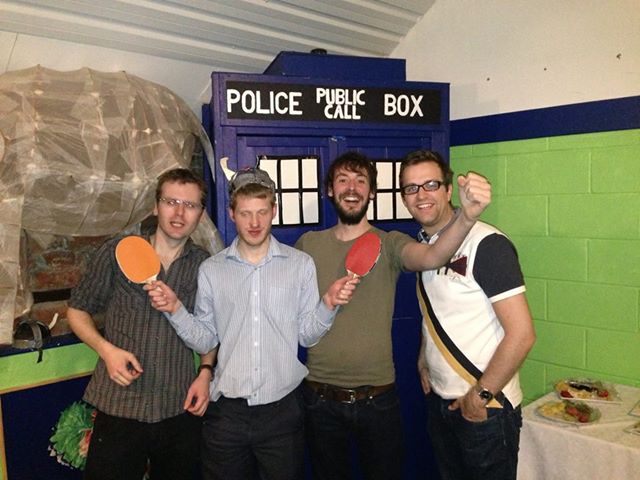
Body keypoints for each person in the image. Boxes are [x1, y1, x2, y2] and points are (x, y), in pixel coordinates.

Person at [146, 166, 357, 480]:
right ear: (232, 214)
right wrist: (175, 308)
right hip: (226, 415)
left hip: (282, 413)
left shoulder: (300, 265)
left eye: (262, 212)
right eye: (245, 213)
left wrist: (328, 304)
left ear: (274, 210)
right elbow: (205, 340)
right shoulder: (212, 270)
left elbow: (307, 336)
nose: (255, 223)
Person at [294, 151, 492, 480]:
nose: (352, 187)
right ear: (330, 190)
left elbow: (432, 256)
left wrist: (466, 217)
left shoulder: (390, 243)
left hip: (378, 401)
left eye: (361, 181)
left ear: (372, 192)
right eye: (343, 180)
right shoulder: (307, 245)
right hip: (319, 400)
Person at [67, 168, 215, 480]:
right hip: (119, 405)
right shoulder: (116, 252)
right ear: (155, 206)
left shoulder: (205, 266)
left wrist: (205, 373)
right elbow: (77, 311)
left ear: (201, 214)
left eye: (190, 205)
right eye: (171, 201)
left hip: (178, 406)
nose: (179, 213)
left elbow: (210, 331)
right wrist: (107, 351)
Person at [399, 150, 536, 480]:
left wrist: (481, 395)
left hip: (485, 410)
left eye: (431, 184)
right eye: (411, 188)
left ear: (448, 190)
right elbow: (441, 311)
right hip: (443, 403)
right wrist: (424, 356)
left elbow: (522, 334)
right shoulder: (426, 245)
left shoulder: (487, 244)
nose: (421, 195)